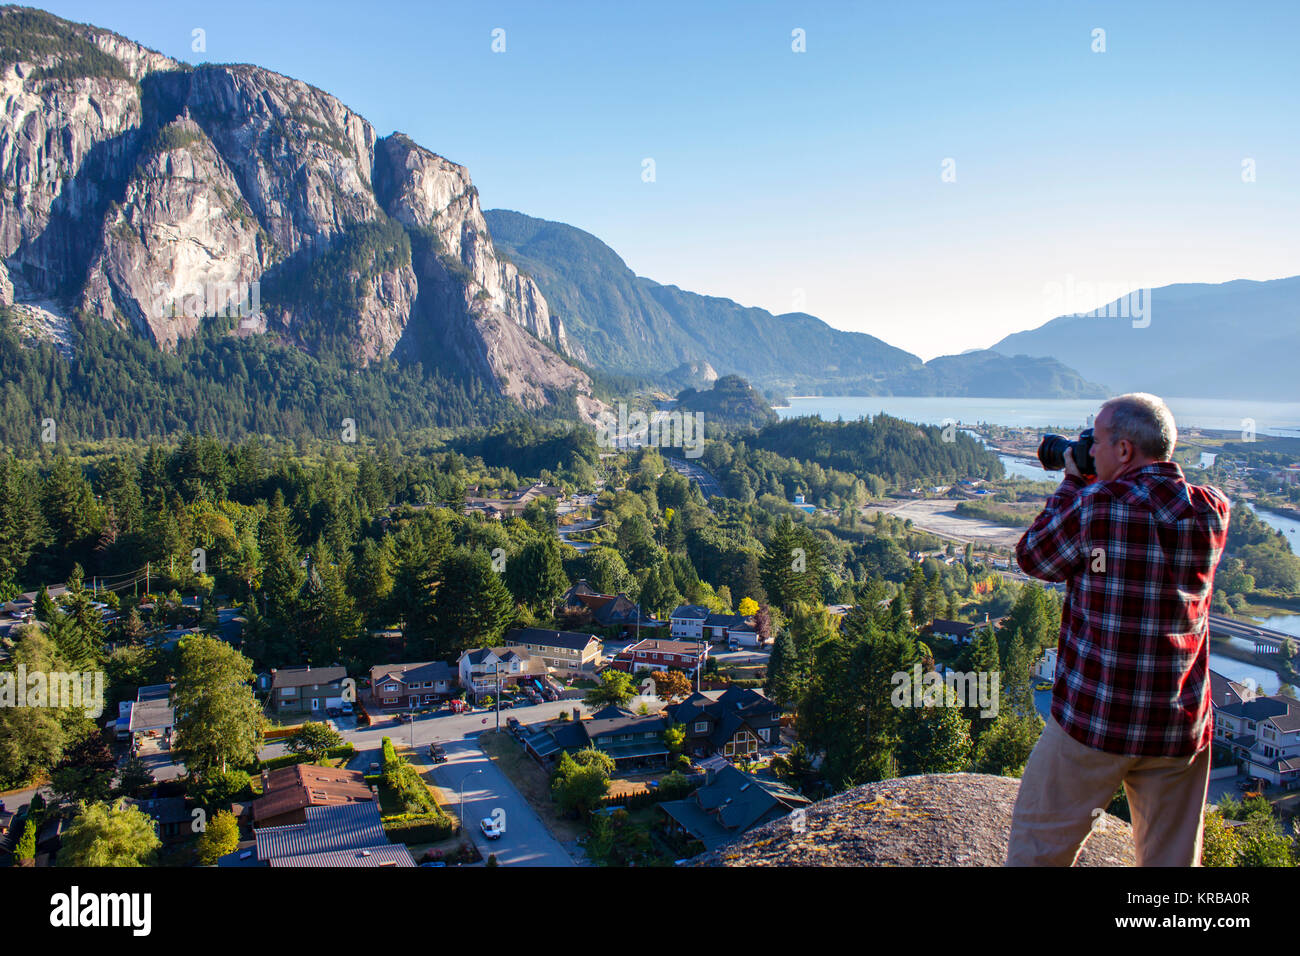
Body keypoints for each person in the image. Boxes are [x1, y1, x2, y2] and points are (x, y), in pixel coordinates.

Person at [1006, 393, 1230, 866]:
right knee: (1171, 861)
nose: (1091, 449)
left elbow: (1034, 557)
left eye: (1097, 440)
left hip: (1096, 719)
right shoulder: (1213, 510)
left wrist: (1072, 480)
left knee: (1038, 847)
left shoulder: (1096, 505)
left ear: (1124, 451)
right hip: (1178, 725)